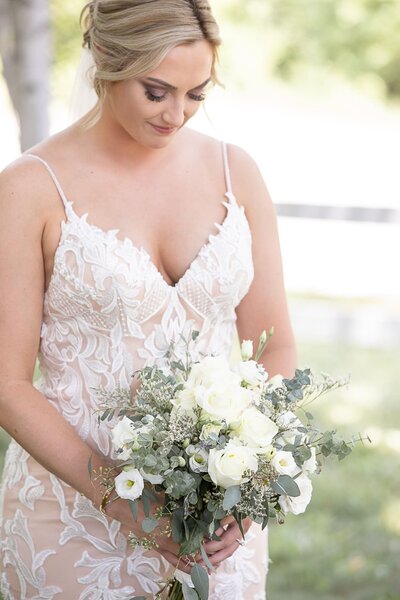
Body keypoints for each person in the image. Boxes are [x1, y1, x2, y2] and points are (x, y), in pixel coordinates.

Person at [0, 0, 297, 598]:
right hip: (71, 518)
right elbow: (7, 383)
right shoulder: (29, 188)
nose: (177, 114)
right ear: (106, 58)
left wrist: (250, 480)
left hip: (216, 525)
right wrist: (119, 499)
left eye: (197, 94)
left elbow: (276, 342)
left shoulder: (237, 173)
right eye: (156, 91)